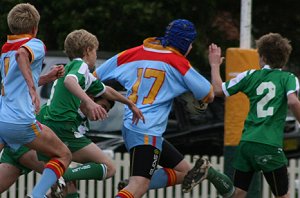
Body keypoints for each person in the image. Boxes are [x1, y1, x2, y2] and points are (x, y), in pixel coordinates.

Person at [93, 19, 214, 198]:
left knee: (187, 172)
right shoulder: (177, 62)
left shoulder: (134, 53)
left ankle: (129, 185)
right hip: (146, 129)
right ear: (185, 43)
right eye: (191, 43)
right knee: (139, 185)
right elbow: (209, 94)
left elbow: (95, 76)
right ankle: (132, 187)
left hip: (135, 127)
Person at [183, 33, 300, 198]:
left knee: (237, 194)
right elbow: (293, 102)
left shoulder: (250, 75)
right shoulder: (288, 78)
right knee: (283, 195)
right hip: (269, 144)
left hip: (246, 143)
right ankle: (210, 173)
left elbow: (217, 90)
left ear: (263, 57)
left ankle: (211, 173)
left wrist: (215, 65)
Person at [36, 29, 144, 198]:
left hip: (47, 126)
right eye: (95, 51)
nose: (95, 55)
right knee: (109, 168)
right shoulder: (80, 66)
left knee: (67, 190)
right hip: (62, 126)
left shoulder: (76, 70)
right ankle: (62, 176)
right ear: (87, 50)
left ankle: (57, 182)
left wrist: (129, 103)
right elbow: (70, 81)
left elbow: (105, 90)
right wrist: (89, 102)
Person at [0, 3, 72, 197]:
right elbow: (22, 54)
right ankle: (37, 195)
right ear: (34, 28)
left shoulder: (5, 48)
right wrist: (33, 89)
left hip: (2, 120)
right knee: (64, 154)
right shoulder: (34, 44)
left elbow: (14, 83)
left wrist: (46, 78)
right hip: (19, 121)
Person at [0, 96, 115, 198]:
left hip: (18, 148)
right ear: (91, 98)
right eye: (103, 106)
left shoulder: (80, 121)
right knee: (65, 178)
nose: (104, 112)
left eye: (107, 110)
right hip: (25, 146)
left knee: (63, 184)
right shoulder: (69, 111)